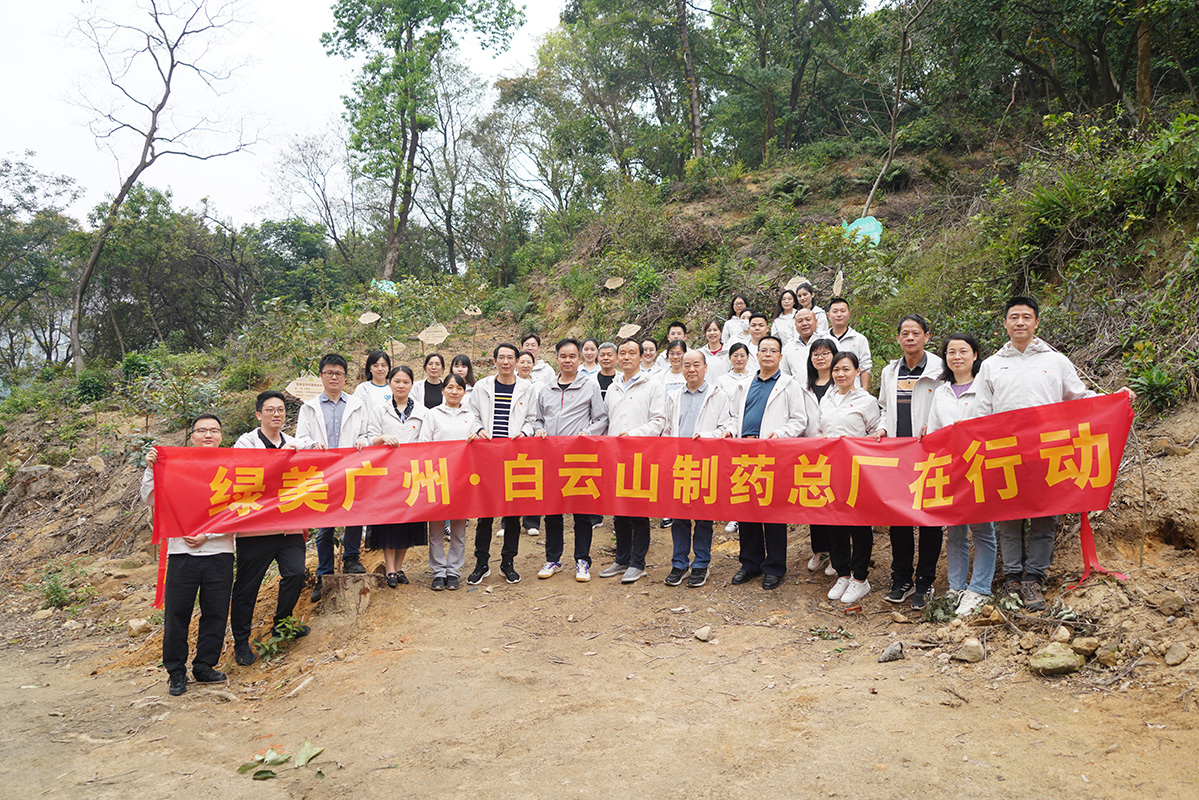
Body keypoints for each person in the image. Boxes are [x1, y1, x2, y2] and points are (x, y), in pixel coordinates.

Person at [972, 296, 1135, 611]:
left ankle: (1034, 578)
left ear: (1036, 323)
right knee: (1009, 518)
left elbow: (1079, 397)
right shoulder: (991, 365)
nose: (1020, 322)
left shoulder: (1055, 360)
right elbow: (981, 412)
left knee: (1046, 515)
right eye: (1014, 317)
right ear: (1004, 323)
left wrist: (1114, 399)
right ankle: (1012, 580)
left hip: (1048, 451)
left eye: (1026, 317)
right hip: (1007, 453)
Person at [142, 414, 233, 696]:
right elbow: (151, 498)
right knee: (177, 614)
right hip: (182, 552)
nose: (208, 435)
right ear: (192, 436)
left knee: (216, 612)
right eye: (202, 430)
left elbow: (242, 507)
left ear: (221, 436)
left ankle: (204, 666)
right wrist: (150, 469)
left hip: (220, 550)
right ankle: (176, 672)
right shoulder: (176, 465)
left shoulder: (234, 466)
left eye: (214, 430)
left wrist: (210, 534)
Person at [722, 335, 811, 590]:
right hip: (744, 452)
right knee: (746, 508)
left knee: (772, 511)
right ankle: (750, 563)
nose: (768, 354)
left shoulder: (789, 385)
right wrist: (729, 430)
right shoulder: (745, 383)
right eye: (763, 350)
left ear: (781, 356)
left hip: (773, 455)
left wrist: (780, 434)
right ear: (756, 355)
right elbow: (733, 415)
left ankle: (774, 567)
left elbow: (799, 420)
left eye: (773, 350)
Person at [230, 392, 309, 667]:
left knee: (296, 573)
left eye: (281, 410)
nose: (276, 414)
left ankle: (282, 623)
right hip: (256, 529)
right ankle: (241, 641)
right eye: (270, 410)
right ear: (258, 415)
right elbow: (241, 475)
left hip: (289, 528)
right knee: (247, 587)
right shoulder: (245, 443)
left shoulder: (294, 444)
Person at [923, 333, 995, 617]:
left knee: (983, 530)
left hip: (980, 465)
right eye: (951, 352)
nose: (957, 357)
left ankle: (979, 588)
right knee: (954, 530)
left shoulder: (985, 387)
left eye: (963, 351)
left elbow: (995, 423)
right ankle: (956, 587)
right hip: (951, 467)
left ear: (975, 355)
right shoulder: (940, 391)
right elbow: (934, 429)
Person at [877, 314, 945, 611]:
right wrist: (881, 427)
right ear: (898, 339)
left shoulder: (940, 370)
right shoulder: (890, 372)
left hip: (930, 454)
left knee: (929, 519)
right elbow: (883, 407)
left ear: (927, 336)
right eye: (904, 333)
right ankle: (901, 578)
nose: (910, 338)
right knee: (899, 519)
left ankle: (925, 581)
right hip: (897, 455)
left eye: (915, 333)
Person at [296, 354, 370, 601]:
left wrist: (364, 441)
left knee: (353, 514)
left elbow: (368, 433)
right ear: (321, 377)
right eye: (329, 373)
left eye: (338, 373)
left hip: (350, 468)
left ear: (345, 377)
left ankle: (351, 558)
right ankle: (324, 574)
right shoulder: (309, 407)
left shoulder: (357, 404)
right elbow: (300, 439)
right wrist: (313, 444)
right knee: (325, 526)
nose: (334, 377)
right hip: (322, 472)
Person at [533, 338, 609, 581]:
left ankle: (582, 560)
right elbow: (538, 419)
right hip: (551, 458)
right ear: (556, 359)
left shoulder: (590, 385)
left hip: (579, 458)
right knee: (552, 510)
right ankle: (552, 559)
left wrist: (586, 434)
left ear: (580, 359)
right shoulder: (545, 389)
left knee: (582, 511)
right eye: (563, 356)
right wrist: (539, 430)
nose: (567, 360)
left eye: (572, 356)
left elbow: (601, 419)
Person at [467, 343, 538, 585]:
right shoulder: (482, 386)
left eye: (510, 357)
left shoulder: (528, 388)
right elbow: (472, 414)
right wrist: (478, 429)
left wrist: (525, 433)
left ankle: (508, 562)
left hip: (515, 455)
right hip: (487, 456)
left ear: (518, 361)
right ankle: (481, 562)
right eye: (501, 357)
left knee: (512, 513)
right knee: (485, 513)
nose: (506, 362)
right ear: (495, 361)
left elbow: (533, 419)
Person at [597, 339, 665, 584]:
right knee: (619, 510)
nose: (626, 357)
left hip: (641, 455)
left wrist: (633, 436)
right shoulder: (614, 386)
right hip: (615, 456)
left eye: (631, 353)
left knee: (638, 510)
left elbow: (659, 421)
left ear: (641, 356)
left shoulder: (653, 385)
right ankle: (622, 558)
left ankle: (638, 562)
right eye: (622, 353)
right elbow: (606, 420)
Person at [662, 350, 730, 588]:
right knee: (679, 517)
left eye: (696, 365)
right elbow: (667, 428)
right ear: (681, 368)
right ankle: (679, 563)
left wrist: (706, 437)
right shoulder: (673, 396)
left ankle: (701, 564)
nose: (691, 369)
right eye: (687, 365)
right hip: (679, 462)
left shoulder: (718, 396)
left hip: (706, 462)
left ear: (705, 367)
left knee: (703, 517)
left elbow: (727, 426)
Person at [820, 352, 882, 606]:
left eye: (846, 369)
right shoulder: (826, 398)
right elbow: (818, 429)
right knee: (835, 521)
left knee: (859, 523)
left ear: (858, 371)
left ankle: (860, 578)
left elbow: (877, 433)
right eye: (836, 369)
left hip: (858, 470)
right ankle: (842, 572)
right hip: (831, 470)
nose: (840, 374)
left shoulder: (866, 401)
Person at [368, 366, 428, 588]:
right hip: (386, 475)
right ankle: (389, 568)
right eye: (397, 381)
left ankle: (400, 567)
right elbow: (368, 437)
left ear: (412, 385)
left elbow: (427, 441)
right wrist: (382, 438)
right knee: (389, 521)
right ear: (390, 383)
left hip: (412, 473)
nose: (401, 386)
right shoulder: (379, 410)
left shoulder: (422, 412)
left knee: (407, 521)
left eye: (405, 382)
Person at [420, 373, 473, 591]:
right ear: (443, 390)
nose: (454, 391)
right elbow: (424, 444)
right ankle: (439, 570)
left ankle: (454, 570)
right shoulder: (432, 415)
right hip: (437, 475)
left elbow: (477, 443)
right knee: (437, 528)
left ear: (464, 392)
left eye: (458, 388)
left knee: (459, 527)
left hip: (462, 477)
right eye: (450, 387)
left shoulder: (471, 415)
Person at [801, 339, 839, 578]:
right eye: (816, 354)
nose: (821, 358)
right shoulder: (803, 387)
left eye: (826, 353)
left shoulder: (842, 384)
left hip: (836, 451)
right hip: (810, 450)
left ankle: (837, 553)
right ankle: (820, 550)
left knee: (834, 501)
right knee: (814, 499)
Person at [516, 350, 545, 538]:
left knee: (533, 479)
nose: (526, 365)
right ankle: (508, 519)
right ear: (516, 363)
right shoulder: (510, 383)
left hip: (534, 437)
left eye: (529, 362)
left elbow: (541, 411)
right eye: (522, 361)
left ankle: (531, 522)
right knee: (512, 479)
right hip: (514, 437)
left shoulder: (541, 385)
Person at [826, 297, 872, 390]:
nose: (839, 314)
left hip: (854, 391)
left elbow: (865, 366)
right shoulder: (823, 339)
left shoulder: (859, 339)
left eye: (843, 311)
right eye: (835, 311)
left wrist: (864, 392)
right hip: (828, 391)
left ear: (849, 314)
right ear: (828, 316)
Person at [780, 308, 821, 384]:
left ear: (816, 322)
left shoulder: (827, 342)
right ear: (795, 325)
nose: (804, 323)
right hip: (797, 393)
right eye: (800, 321)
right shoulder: (788, 348)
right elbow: (784, 375)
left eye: (808, 319)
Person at [353, 350, 392, 415]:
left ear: (388, 368)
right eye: (375, 366)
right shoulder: (363, 389)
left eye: (383, 365)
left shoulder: (394, 388)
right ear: (370, 368)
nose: (380, 369)